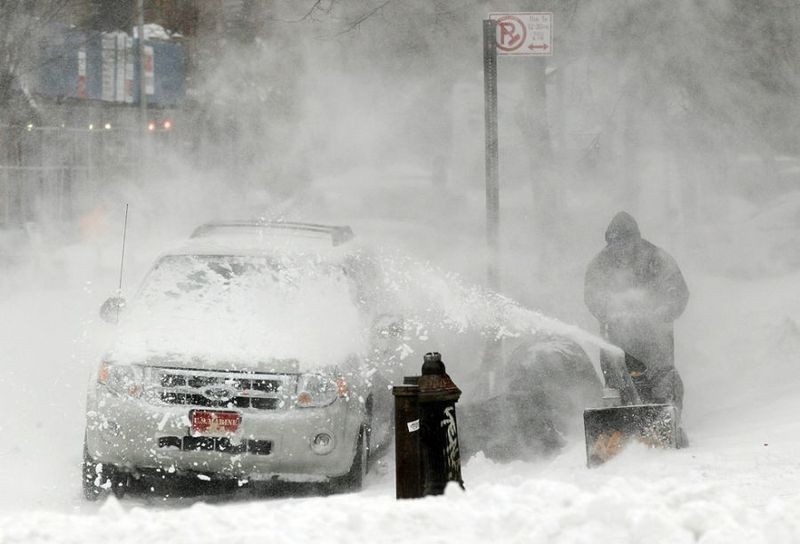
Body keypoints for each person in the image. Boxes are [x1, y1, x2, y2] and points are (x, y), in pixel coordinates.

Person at [584, 211, 689, 410]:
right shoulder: (600, 264)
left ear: (636, 239)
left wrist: (662, 312)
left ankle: (668, 420)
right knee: (617, 383)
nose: (620, 248)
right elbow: (592, 295)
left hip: (655, 338)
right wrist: (610, 312)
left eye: (625, 242)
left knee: (662, 380)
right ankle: (620, 428)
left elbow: (677, 291)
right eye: (615, 243)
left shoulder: (656, 259)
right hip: (615, 337)